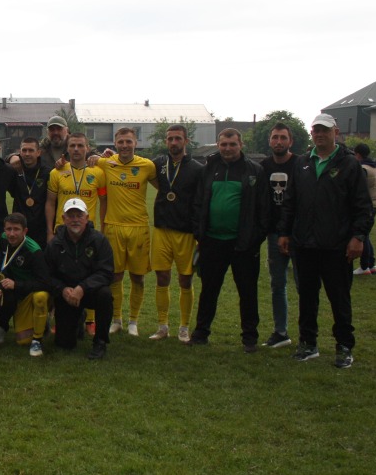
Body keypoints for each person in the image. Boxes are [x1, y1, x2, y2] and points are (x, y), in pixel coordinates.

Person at [279, 114, 372, 368]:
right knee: (307, 297)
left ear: (336, 132)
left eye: (324, 130)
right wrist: (285, 232)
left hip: (336, 245)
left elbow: (362, 207)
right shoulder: (302, 163)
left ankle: (344, 347)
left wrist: (358, 237)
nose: (319, 134)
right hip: (304, 244)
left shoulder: (350, 165)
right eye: (315, 130)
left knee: (339, 298)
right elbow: (291, 202)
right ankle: (308, 344)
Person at [188, 129, 268, 352]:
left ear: (241, 144)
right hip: (212, 241)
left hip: (243, 243)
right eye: (223, 144)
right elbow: (198, 203)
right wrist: (199, 232)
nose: (227, 148)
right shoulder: (209, 169)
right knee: (209, 290)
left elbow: (264, 210)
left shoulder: (254, 171)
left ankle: (249, 338)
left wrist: (254, 238)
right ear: (218, 144)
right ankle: (201, 333)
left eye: (232, 144)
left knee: (247, 291)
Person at [92, 127, 157, 336]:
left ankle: (133, 322)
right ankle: (117, 319)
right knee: (115, 276)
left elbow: (165, 189)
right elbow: (89, 161)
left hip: (139, 228)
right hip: (113, 227)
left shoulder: (147, 165)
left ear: (135, 143)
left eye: (128, 141)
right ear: (115, 143)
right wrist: (94, 156)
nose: (125, 145)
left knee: (138, 278)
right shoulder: (106, 163)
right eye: (121, 142)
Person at [150, 125, 202, 342]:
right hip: (161, 229)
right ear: (166, 141)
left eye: (177, 139)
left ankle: (184, 326)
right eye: (170, 139)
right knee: (162, 277)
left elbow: (200, 201)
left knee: (185, 280)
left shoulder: (198, 168)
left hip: (186, 232)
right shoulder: (159, 164)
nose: (173, 142)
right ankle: (163, 326)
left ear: (186, 141)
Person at [45, 198, 114, 359]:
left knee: (105, 294)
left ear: (87, 217)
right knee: (64, 344)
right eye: (71, 216)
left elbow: (106, 272)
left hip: (90, 292)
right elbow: (47, 275)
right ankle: (78, 318)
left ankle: (100, 342)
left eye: (79, 215)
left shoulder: (99, 240)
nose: (75, 219)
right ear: (63, 219)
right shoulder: (55, 244)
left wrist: (82, 288)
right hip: (67, 295)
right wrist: (62, 290)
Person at [260, 122, 299, 348]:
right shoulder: (264, 166)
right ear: (269, 141)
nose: (279, 142)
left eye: (283, 138)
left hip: (299, 234)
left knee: (305, 285)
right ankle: (281, 332)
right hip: (274, 234)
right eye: (275, 137)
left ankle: (307, 334)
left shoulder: (301, 165)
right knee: (278, 284)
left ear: (290, 141)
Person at [0, 213, 51, 357]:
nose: (11, 234)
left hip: (32, 293)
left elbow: (45, 283)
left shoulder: (34, 251)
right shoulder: (3, 239)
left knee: (41, 297)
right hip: (17, 291)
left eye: (16, 229)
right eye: (8, 229)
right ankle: (0, 326)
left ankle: (37, 339)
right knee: (22, 340)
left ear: (25, 231)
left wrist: (17, 284)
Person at [45, 132, 106, 243]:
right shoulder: (56, 172)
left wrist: (102, 228)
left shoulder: (99, 173)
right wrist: (49, 232)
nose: (76, 149)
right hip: (62, 229)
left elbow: (103, 202)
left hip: (88, 229)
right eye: (72, 146)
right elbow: (50, 203)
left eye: (80, 145)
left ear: (87, 148)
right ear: (67, 149)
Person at [10, 138, 51, 249]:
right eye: (24, 150)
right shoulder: (14, 169)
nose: (27, 154)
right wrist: (10, 157)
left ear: (38, 152)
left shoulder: (47, 172)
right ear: (20, 152)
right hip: (19, 228)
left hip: (41, 228)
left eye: (31, 150)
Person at [353, 143, 376, 275]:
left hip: (366, 207)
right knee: (366, 235)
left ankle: (365, 266)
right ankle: (372, 265)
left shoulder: (363, 169)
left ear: (358, 154)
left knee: (362, 236)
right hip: (374, 204)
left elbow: (359, 190)